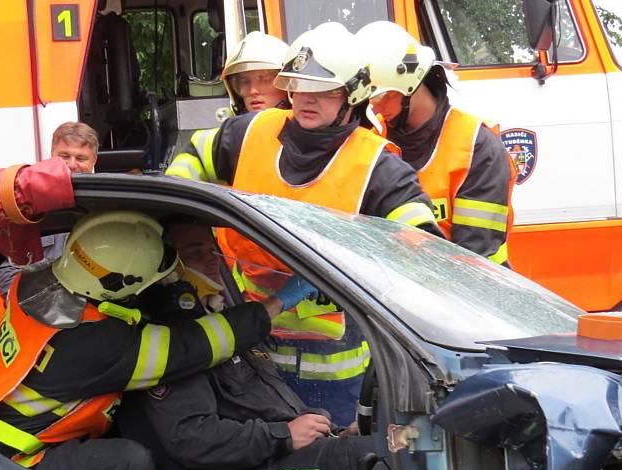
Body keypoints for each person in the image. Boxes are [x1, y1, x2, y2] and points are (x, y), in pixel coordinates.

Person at [0, 211, 316, 470]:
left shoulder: (36, 283)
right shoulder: (95, 343)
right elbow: (198, 345)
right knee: (129, 459)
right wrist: (279, 303)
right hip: (7, 457)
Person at [198, 23, 440, 425]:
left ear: (353, 94)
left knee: (334, 464)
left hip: (334, 371)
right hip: (253, 349)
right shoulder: (250, 133)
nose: (306, 99)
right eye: (297, 85)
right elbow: (192, 160)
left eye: (324, 90)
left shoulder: (378, 168)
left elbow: (423, 248)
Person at [128, 219, 373, 470]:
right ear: (165, 266)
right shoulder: (173, 341)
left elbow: (267, 407)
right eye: (195, 253)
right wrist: (284, 436)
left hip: (279, 454)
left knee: (390, 441)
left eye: (212, 248)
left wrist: (334, 434)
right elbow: (191, 436)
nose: (211, 260)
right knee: (371, 459)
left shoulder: (221, 323)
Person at [356, 21, 515, 266]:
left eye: (380, 96)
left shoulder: (475, 146)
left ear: (410, 86)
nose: (374, 107)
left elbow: (476, 253)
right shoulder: (373, 138)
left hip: (466, 289)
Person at [0, 121, 99, 299]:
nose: (71, 165)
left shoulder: (110, 202)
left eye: (81, 158)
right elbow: (1, 265)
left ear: (94, 160)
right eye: (64, 156)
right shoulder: (25, 204)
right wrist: (32, 301)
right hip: (38, 310)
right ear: (51, 156)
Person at [165, 31, 289, 183]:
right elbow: (178, 181)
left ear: (288, 85)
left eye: (265, 80)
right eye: (244, 82)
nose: (253, 91)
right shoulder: (227, 137)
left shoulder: (308, 131)